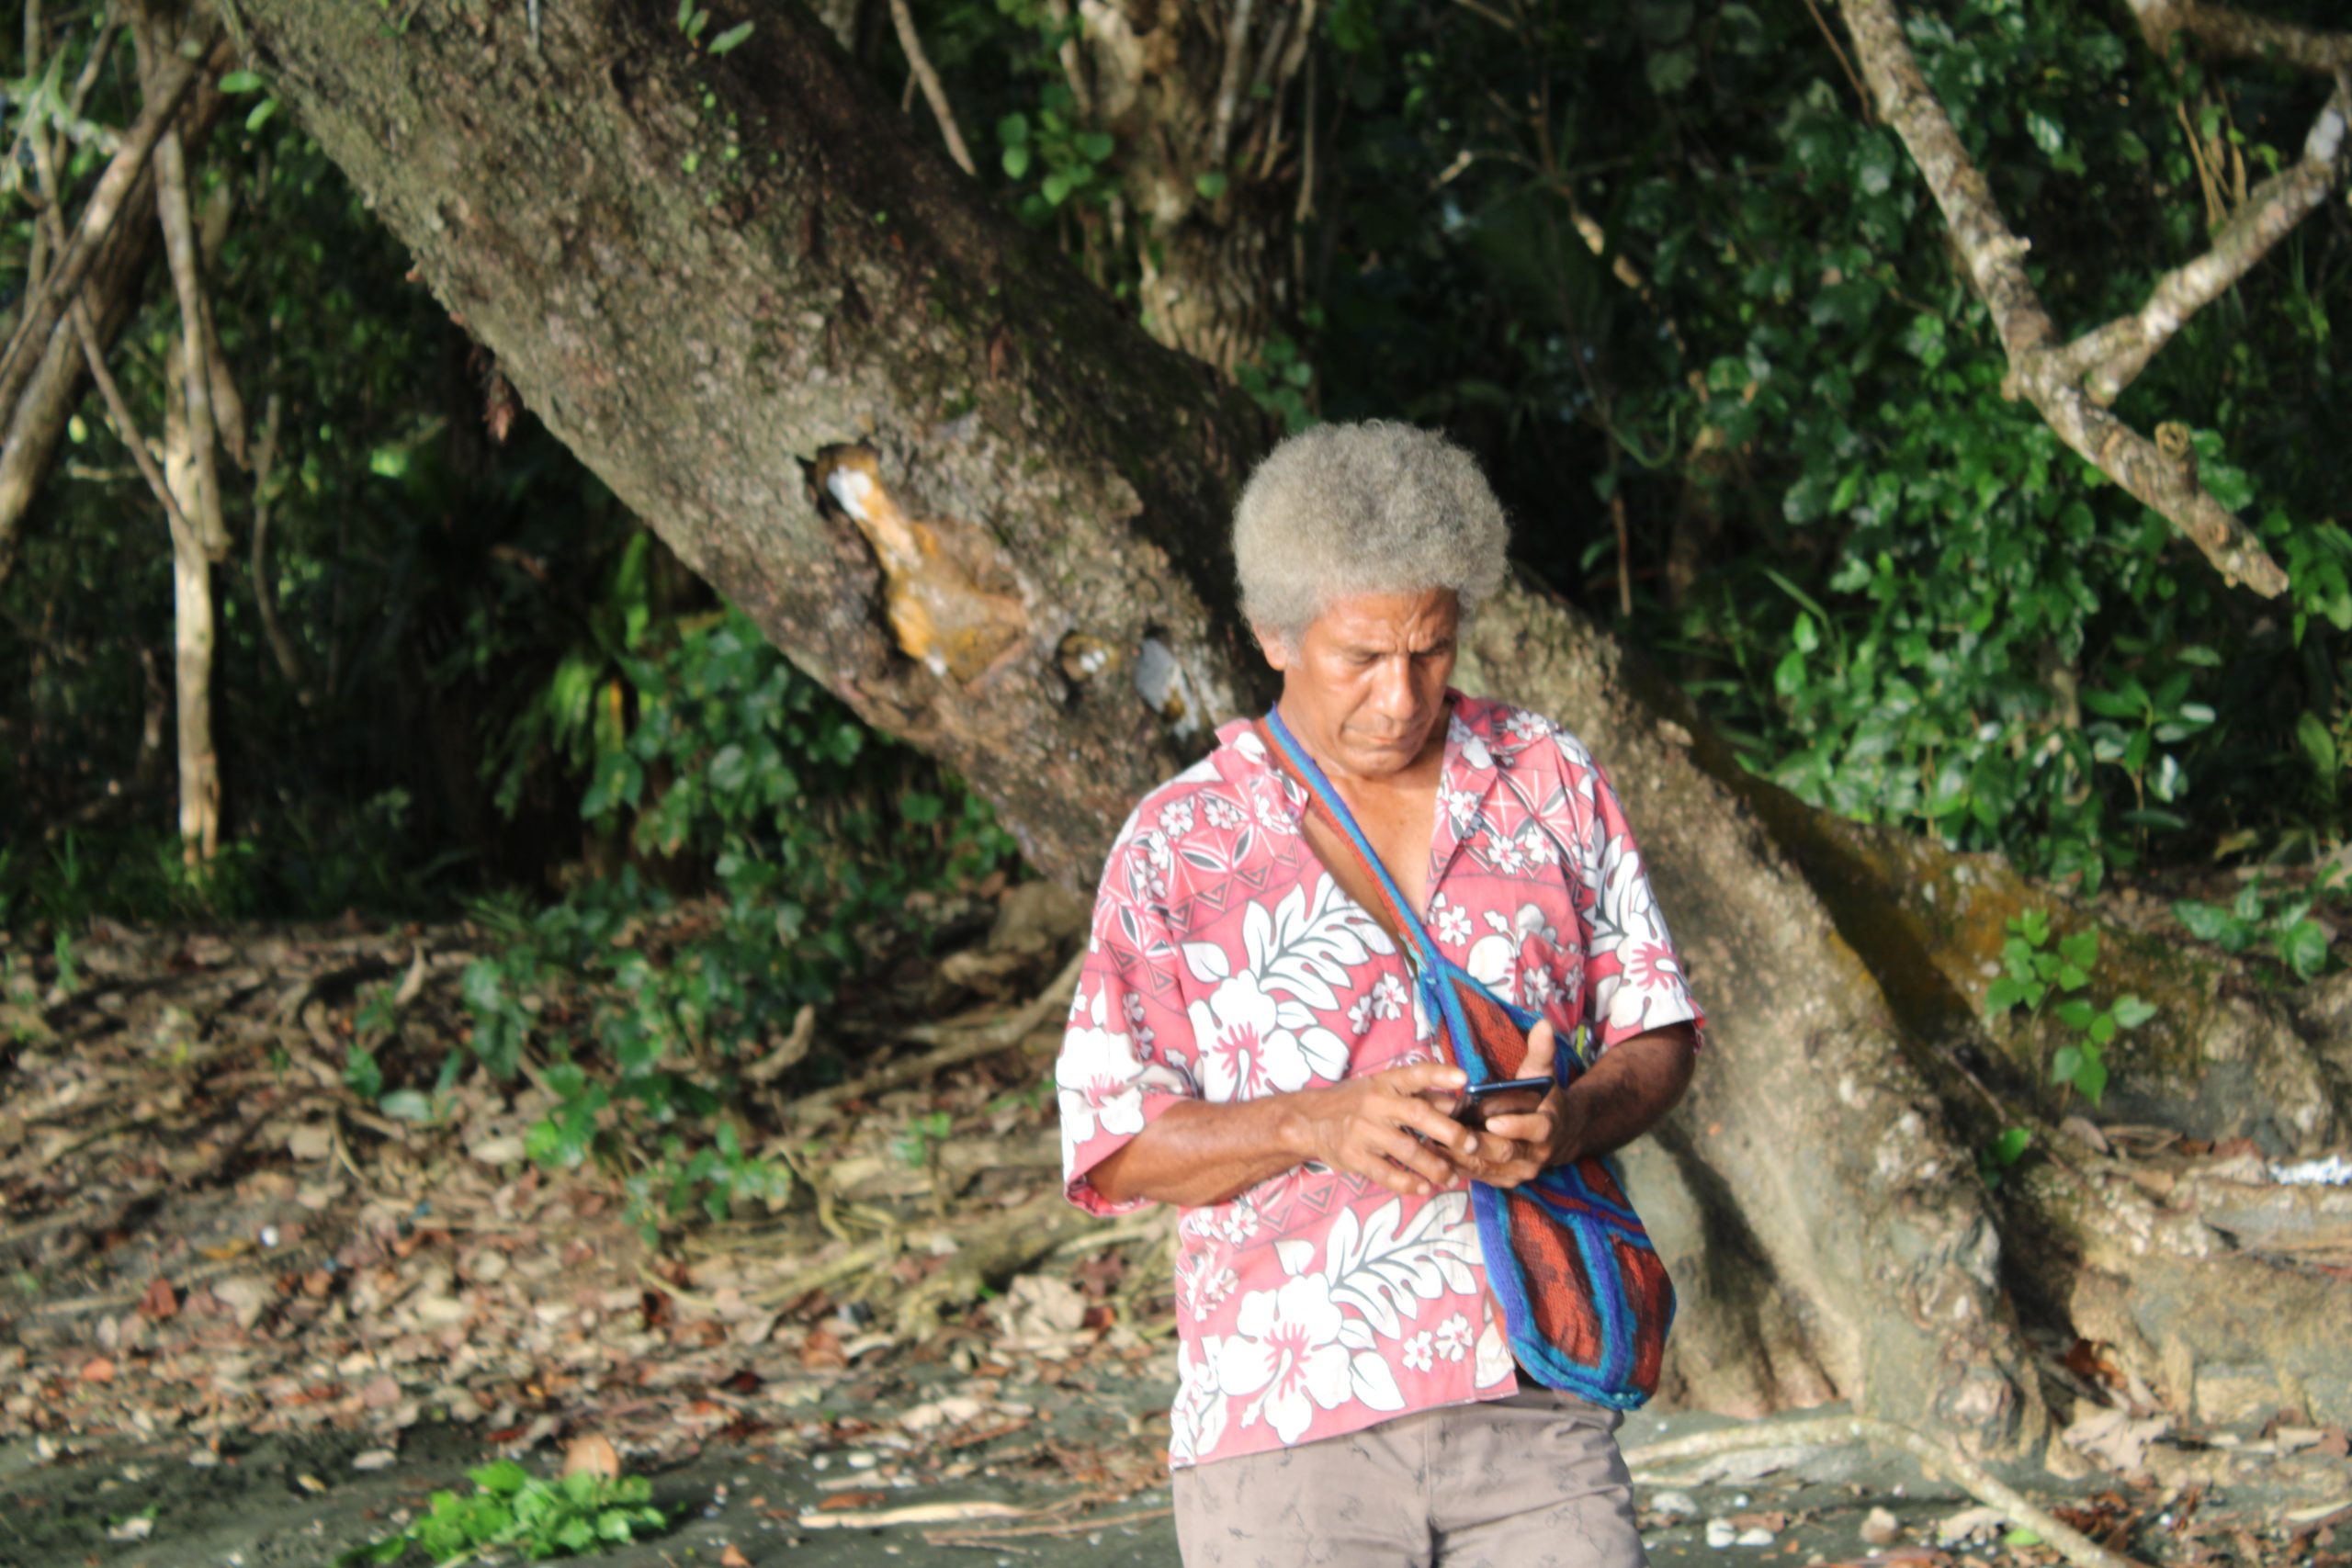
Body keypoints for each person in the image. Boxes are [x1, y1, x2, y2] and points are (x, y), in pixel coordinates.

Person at [1055, 420, 1704, 1567]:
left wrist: (1572, 1121)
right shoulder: (1178, 846)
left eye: (1432, 650)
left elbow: (1654, 1027)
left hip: (1534, 1394)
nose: (1403, 697)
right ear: (1273, 635)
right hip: (1284, 1426)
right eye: (1361, 657)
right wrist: (1315, 1123)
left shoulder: (1545, 776)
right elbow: (1113, 1149)